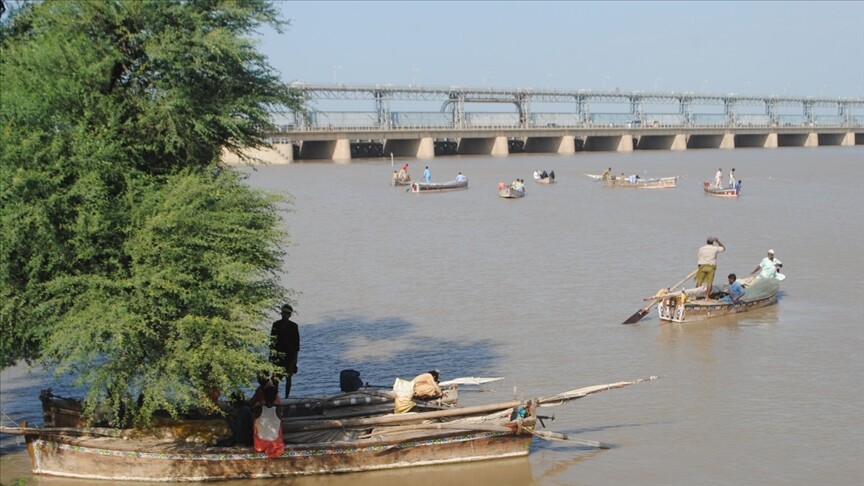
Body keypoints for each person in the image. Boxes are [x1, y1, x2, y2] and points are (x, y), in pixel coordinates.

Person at [270, 304, 299, 399]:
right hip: (277, 357)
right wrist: (271, 357)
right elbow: (272, 342)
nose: (285, 315)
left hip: (290, 356)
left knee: (288, 377)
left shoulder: (294, 326)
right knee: (275, 379)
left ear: (290, 315)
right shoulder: (276, 325)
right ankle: (275, 397)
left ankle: (287, 397)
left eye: (287, 313)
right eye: (283, 313)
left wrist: (295, 359)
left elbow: (296, 344)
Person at [253, 386, 284, 458]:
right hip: (276, 444)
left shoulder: (258, 409)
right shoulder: (279, 409)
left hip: (259, 445)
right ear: (275, 397)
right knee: (279, 426)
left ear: (264, 397)